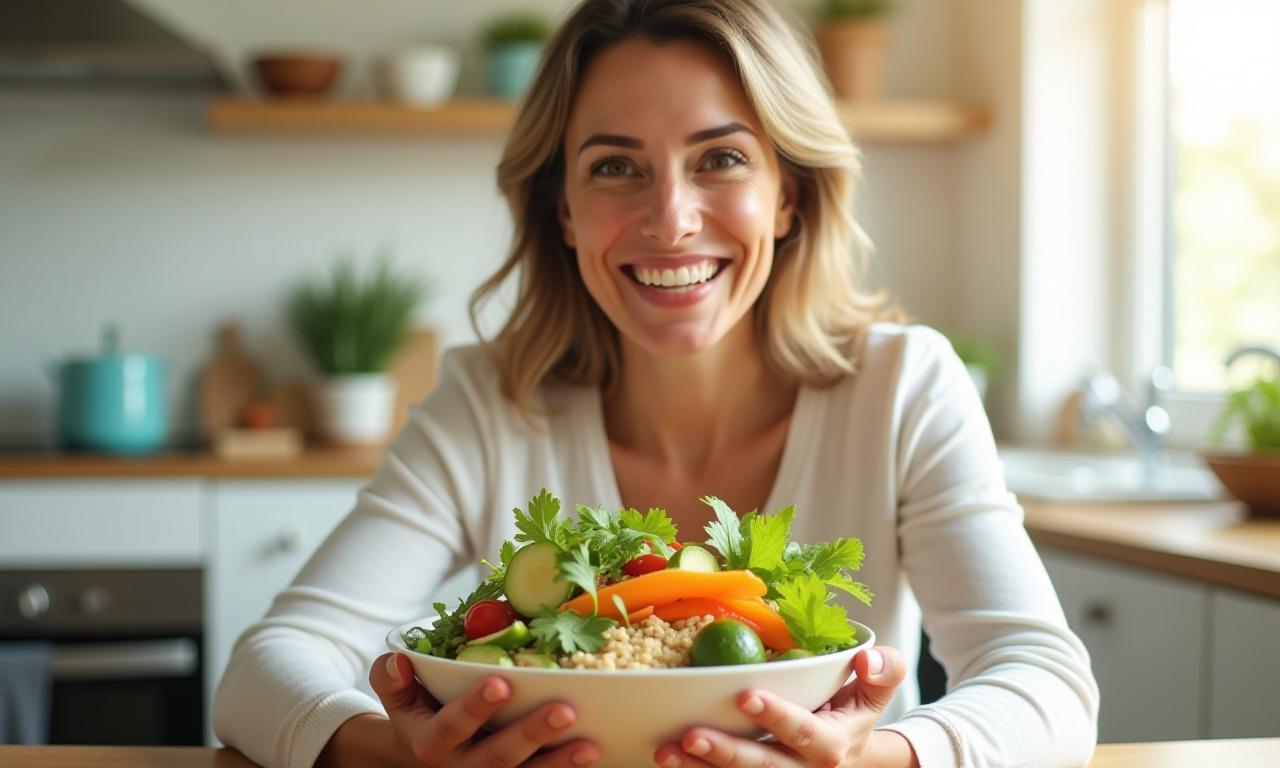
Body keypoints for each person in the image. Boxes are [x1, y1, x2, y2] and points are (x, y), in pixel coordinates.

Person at [213, 0, 1100, 766]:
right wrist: (400, 756)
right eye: (613, 166)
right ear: (561, 209)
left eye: (720, 159)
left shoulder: (905, 387)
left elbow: (1048, 685)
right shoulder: (488, 405)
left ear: (788, 194)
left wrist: (882, 757)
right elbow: (267, 667)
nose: (670, 219)